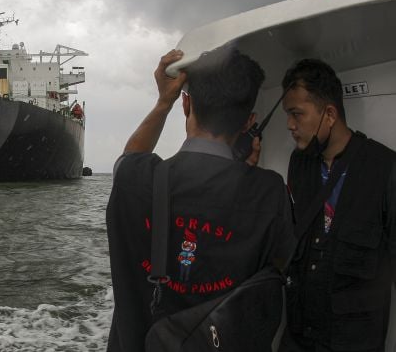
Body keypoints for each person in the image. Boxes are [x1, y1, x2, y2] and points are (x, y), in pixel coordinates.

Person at [106, 48, 295, 352]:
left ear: (186, 103)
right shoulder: (269, 194)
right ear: (249, 122)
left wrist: (162, 103)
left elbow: (129, 158)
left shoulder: (134, 180)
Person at [277, 59, 396, 352]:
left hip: (354, 342)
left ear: (329, 114)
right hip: (298, 336)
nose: (290, 125)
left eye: (297, 114)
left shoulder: (385, 168)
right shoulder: (299, 162)